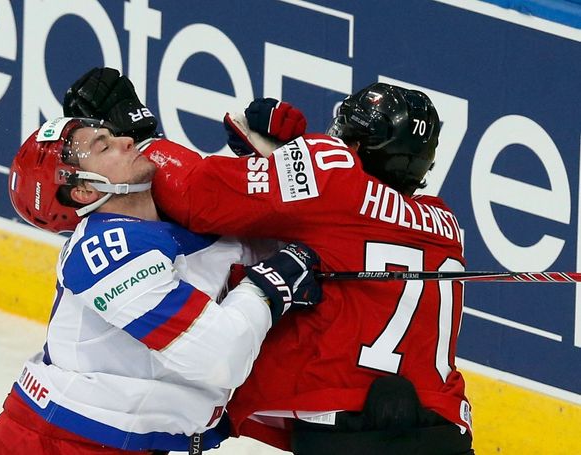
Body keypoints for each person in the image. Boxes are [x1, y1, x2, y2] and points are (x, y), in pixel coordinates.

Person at [64, 68, 474, 454]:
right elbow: (349, 219)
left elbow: (200, 197)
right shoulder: (445, 224)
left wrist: (140, 140)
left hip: (344, 426)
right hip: (445, 427)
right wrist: (280, 161)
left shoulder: (333, 177)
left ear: (354, 145)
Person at [0, 110, 323, 453]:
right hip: (55, 443)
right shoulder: (105, 251)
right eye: (104, 147)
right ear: (83, 190)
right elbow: (222, 358)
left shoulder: (195, 226)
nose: (127, 139)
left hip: (123, 441)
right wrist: (263, 288)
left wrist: (279, 159)